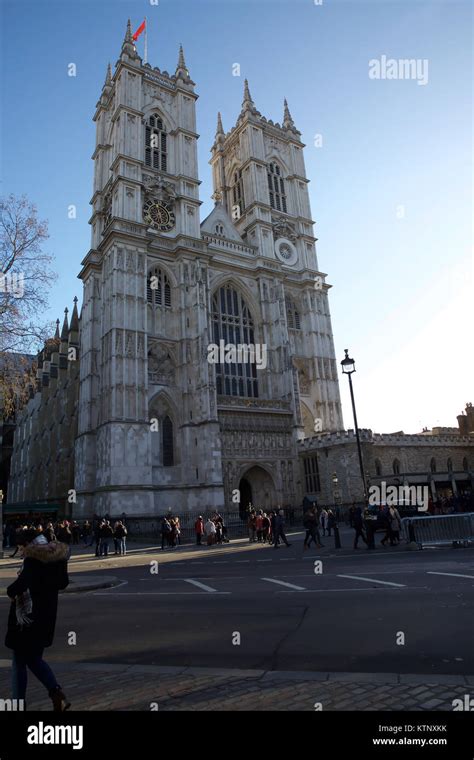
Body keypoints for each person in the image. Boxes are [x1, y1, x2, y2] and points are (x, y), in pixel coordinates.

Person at [5, 529, 70, 711]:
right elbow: (63, 582)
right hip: (46, 616)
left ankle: (19, 703)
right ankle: (56, 694)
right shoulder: (57, 557)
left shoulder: (33, 558)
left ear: (28, 544)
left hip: (27, 619)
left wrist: (11, 591)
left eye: (21, 548)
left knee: (21, 660)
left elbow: (23, 582)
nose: (21, 552)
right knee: (32, 659)